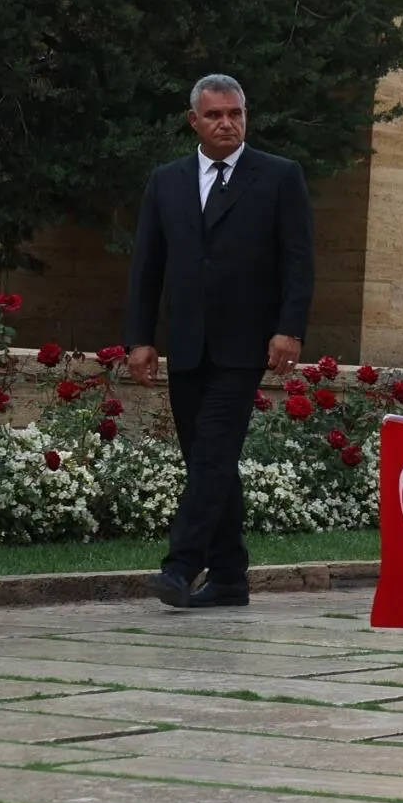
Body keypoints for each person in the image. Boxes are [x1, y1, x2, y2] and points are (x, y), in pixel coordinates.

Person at [124, 74, 315, 611]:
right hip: (186, 343)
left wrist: (289, 327)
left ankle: (181, 564)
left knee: (212, 449)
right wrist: (139, 337)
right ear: (194, 121)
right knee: (208, 459)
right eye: (215, 115)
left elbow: (298, 260)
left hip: (246, 344)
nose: (227, 123)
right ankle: (230, 576)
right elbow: (147, 266)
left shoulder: (278, 176)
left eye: (235, 113)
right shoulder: (167, 181)